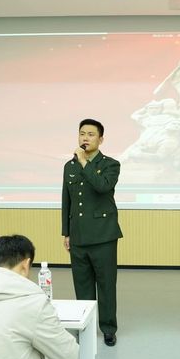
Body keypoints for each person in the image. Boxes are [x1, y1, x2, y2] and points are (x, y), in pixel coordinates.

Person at [62, 119, 123, 346]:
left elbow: (102, 186)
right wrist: (66, 232)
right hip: (78, 234)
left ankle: (108, 328)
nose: (85, 138)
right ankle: (85, 326)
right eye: (82, 134)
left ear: (101, 139)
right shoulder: (69, 166)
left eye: (90, 134)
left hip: (103, 235)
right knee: (82, 284)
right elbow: (66, 200)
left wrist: (84, 162)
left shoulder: (111, 165)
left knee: (106, 284)